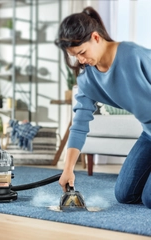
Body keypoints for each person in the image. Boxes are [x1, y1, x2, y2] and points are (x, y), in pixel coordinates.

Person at [54, 6, 151, 209]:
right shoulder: (87, 80)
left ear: (95, 37)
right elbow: (79, 124)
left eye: (82, 52)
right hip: (149, 134)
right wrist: (68, 169)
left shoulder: (134, 55)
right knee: (125, 195)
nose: (80, 60)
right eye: (75, 56)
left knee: (149, 199)